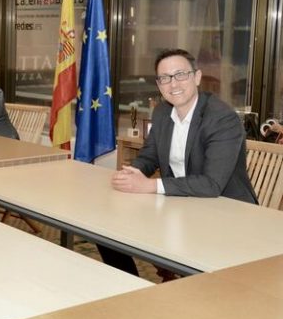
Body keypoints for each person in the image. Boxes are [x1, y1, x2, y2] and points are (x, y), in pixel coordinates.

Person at [109, 48, 257, 276]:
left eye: (180, 75)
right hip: (183, 205)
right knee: (111, 230)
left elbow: (211, 185)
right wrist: (132, 174)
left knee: (138, 231)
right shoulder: (162, 113)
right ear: (159, 85)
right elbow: (149, 155)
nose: (173, 84)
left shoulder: (221, 118)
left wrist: (149, 185)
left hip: (227, 215)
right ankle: (133, 286)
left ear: (197, 77)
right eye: (165, 78)